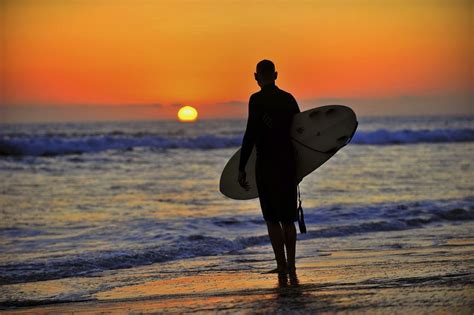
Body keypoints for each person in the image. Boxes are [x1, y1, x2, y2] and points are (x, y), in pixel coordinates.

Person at [238, 59, 300, 275]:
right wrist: (300, 168)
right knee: (288, 219)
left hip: (266, 166)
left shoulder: (256, 100)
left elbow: (250, 134)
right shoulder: (288, 99)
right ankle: (291, 264)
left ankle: (281, 265)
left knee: (272, 219)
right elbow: (301, 134)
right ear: (276, 75)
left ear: (256, 77)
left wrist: (241, 167)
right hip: (288, 164)